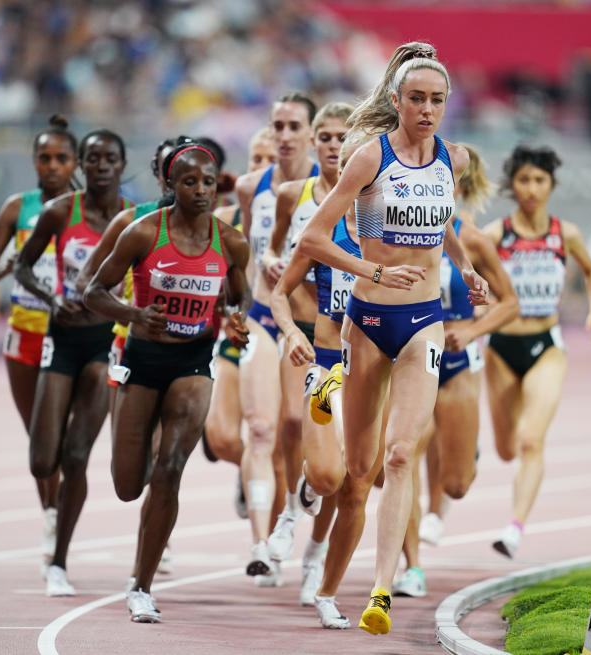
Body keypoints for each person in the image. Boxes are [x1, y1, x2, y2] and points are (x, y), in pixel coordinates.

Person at [297, 42, 489, 634]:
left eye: (437, 100)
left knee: (402, 454)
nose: (427, 110)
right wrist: (374, 272)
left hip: (424, 322)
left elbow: (445, 225)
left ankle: (380, 591)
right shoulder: (367, 159)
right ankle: (329, 386)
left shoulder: (449, 162)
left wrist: (467, 267)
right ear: (397, 101)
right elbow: (313, 239)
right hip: (368, 323)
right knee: (359, 467)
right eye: (416, 99)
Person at [83, 142, 251, 623]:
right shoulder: (143, 233)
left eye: (207, 182)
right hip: (142, 359)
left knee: (171, 466)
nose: (200, 191)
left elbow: (238, 298)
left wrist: (234, 317)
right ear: (169, 186)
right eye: (189, 182)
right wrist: (135, 313)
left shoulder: (230, 241)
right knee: (127, 485)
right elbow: (92, 289)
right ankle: (141, 572)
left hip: (194, 363)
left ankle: (142, 585)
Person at [396, 144, 520, 597]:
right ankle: (411, 566)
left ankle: (462, 457)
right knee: (402, 455)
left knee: (457, 483)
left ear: (455, 188)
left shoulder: (473, 240)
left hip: (458, 364)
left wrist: (472, 331)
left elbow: (511, 303)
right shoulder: (400, 232)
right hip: (412, 356)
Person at [73, 135, 198, 580]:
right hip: (130, 349)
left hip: (186, 355)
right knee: (133, 469)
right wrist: (132, 313)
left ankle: (154, 545)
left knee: (170, 459)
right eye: (171, 169)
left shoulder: (210, 228)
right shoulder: (134, 221)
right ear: (161, 173)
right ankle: (146, 500)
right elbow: (88, 281)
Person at [14, 129, 131, 596]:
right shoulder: (60, 211)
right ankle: (55, 532)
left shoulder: (134, 219)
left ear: (123, 165)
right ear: (82, 165)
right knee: (44, 461)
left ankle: (59, 561)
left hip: (105, 342)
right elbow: (22, 266)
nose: (102, 165)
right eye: (94, 158)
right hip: (61, 338)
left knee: (78, 455)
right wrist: (49, 299)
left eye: (111, 158)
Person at [479, 145, 591, 559]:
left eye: (539, 180)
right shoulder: (497, 235)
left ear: (551, 185)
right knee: (505, 448)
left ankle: (514, 529)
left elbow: (589, 270)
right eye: (523, 180)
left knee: (532, 440)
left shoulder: (564, 234)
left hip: (546, 345)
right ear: (512, 185)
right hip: (500, 348)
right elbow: (469, 277)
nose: (531, 188)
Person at [271, 130, 374, 629]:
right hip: (328, 365)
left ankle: (329, 591)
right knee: (329, 477)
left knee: (357, 490)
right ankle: (307, 491)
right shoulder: (321, 227)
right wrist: (291, 329)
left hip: (379, 370)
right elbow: (279, 293)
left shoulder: (400, 232)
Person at [0, 114, 76, 571]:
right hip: (25, 334)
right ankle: (51, 516)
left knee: (70, 438)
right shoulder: (19, 208)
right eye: (43, 158)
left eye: (60, 158)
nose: (51, 165)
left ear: (75, 161)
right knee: (39, 439)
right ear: (34, 161)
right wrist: (10, 264)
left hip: (73, 337)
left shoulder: (89, 209)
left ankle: (63, 511)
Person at [263, 101, 352, 606]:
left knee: (349, 469)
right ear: (315, 143)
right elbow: (275, 247)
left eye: (344, 137)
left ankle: (314, 548)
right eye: (327, 137)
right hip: (303, 331)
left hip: (358, 343)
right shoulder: (293, 195)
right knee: (294, 421)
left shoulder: (370, 203)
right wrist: (275, 261)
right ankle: (290, 515)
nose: (335, 145)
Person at [233, 92, 319, 584]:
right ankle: (261, 545)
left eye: (293, 127)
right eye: (278, 126)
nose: (284, 136)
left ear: (310, 132)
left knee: (294, 424)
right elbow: (247, 250)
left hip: (313, 322)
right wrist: (255, 276)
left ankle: (300, 524)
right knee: (262, 429)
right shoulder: (251, 187)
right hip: (264, 316)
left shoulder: (330, 185)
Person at [205, 127, 277, 520]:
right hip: (233, 332)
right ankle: (249, 470)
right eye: (256, 160)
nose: (262, 168)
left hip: (277, 333)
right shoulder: (223, 217)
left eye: (271, 161)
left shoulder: (296, 210)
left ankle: (271, 522)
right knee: (220, 438)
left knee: (273, 439)